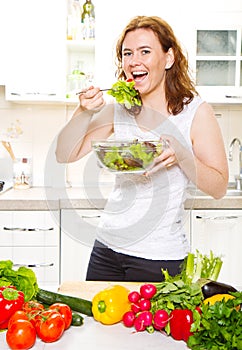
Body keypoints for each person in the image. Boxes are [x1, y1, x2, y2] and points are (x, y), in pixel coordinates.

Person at [56, 16, 228, 282]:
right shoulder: (120, 108)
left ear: (168, 58)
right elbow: (64, 154)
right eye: (127, 53)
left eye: (145, 51)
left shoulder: (195, 112)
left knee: (149, 326)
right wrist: (82, 111)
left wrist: (182, 154)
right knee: (96, 323)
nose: (134, 60)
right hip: (106, 248)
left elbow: (218, 187)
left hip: (159, 257)